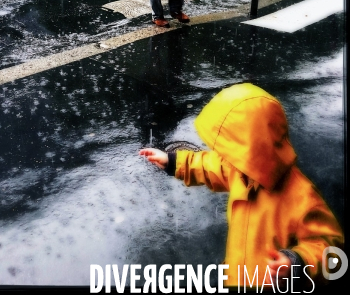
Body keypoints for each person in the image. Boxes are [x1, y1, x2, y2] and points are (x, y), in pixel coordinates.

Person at [139, 83, 343, 289]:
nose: (223, 157)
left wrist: (297, 262)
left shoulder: (302, 197)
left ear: (251, 151)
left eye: (229, 149)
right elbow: (209, 165)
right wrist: (173, 161)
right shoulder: (240, 170)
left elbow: (332, 249)